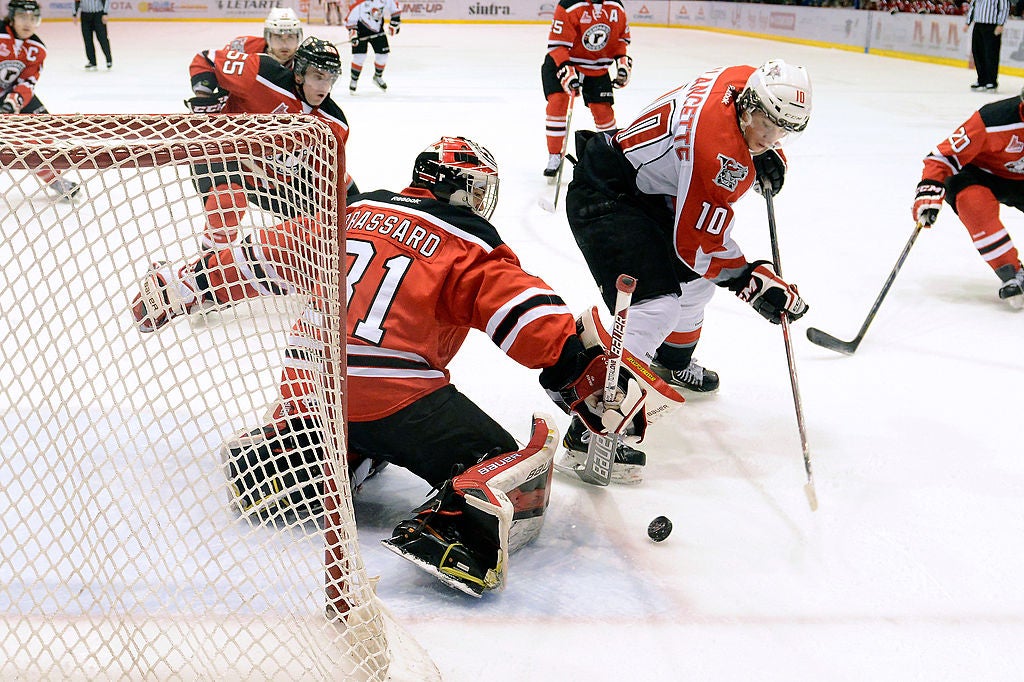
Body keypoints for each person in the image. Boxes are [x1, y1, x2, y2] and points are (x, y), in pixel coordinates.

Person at [129, 136, 682, 594]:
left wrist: (181, 288)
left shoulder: (347, 213)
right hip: (394, 393)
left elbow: (253, 258)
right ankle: (452, 531)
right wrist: (581, 367)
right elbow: (523, 315)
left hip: (307, 384)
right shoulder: (468, 241)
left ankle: (285, 457)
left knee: (345, 425)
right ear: (461, 186)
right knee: (503, 462)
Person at [563, 60, 811, 467]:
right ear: (750, 104)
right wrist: (751, 280)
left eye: (780, 130)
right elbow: (696, 246)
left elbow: (697, 253)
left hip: (647, 188)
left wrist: (764, 147)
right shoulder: (720, 155)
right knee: (654, 307)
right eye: (765, 125)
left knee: (697, 285)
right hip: (608, 194)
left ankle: (672, 364)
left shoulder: (743, 77)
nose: (769, 137)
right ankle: (587, 433)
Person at [187, 36, 358, 249]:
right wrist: (205, 95)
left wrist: (345, 208)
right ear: (299, 73)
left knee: (325, 220)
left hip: (273, 179)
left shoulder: (334, 124)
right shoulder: (263, 73)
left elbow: (325, 175)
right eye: (318, 76)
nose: (325, 86)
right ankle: (208, 268)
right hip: (223, 153)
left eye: (330, 78)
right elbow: (206, 60)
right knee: (228, 201)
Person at [912, 88, 1024, 306]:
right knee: (973, 204)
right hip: (979, 174)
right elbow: (942, 158)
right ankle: (1011, 272)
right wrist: (929, 188)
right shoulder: (993, 119)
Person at [541, 0, 631, 178]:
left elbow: (621, 40)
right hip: (564, 61)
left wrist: (622, 64)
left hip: (597, 66)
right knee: (557, 103)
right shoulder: (569, 5)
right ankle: (554, 155)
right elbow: (558, 45)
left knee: (603, 111)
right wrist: (567, 71)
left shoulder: (616, 7)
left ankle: (611, 154)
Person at [1, 0, 79, 199]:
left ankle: (56, 180)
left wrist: (14, 100)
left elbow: (27, 82)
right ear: (11, 16)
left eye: (33, 18)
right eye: (22, 16)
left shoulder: (37, 48)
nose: (28, 22)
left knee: (42, 131)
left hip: (9, 94)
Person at [217, 8, 303, 70]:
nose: (284, 45)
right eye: (278, 37)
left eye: (290, 37)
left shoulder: (304, 63)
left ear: (298, 38)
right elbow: (217, 64)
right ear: (267, 38)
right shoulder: (243, 47)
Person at [345, 0, 401, 93]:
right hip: (360, 31)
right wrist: (353, 34)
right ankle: (354, 80)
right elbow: (351, 19)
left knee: (383, 55)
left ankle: (377, 77)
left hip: (378, 30)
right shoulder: (359, 2)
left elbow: (395, 9)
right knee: (359, 57)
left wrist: (394, 25)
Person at [966, 0, 1009, 91]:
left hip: (991, 25)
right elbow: (973, 6)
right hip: (978, 24)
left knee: (991, 53)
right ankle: (981, 79)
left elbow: (1004, 8)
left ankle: (991, 81)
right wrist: (968, 22)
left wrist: (1001, 24)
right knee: (977, 52)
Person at [72, 0, 112, 70]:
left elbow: (106, 0)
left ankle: (108, 59)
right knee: (87, 39)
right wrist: (74, 13)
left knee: (102, 38)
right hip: (85, 15)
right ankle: (92, 61)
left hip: (98, 14)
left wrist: (105, 12)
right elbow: (76, 1)